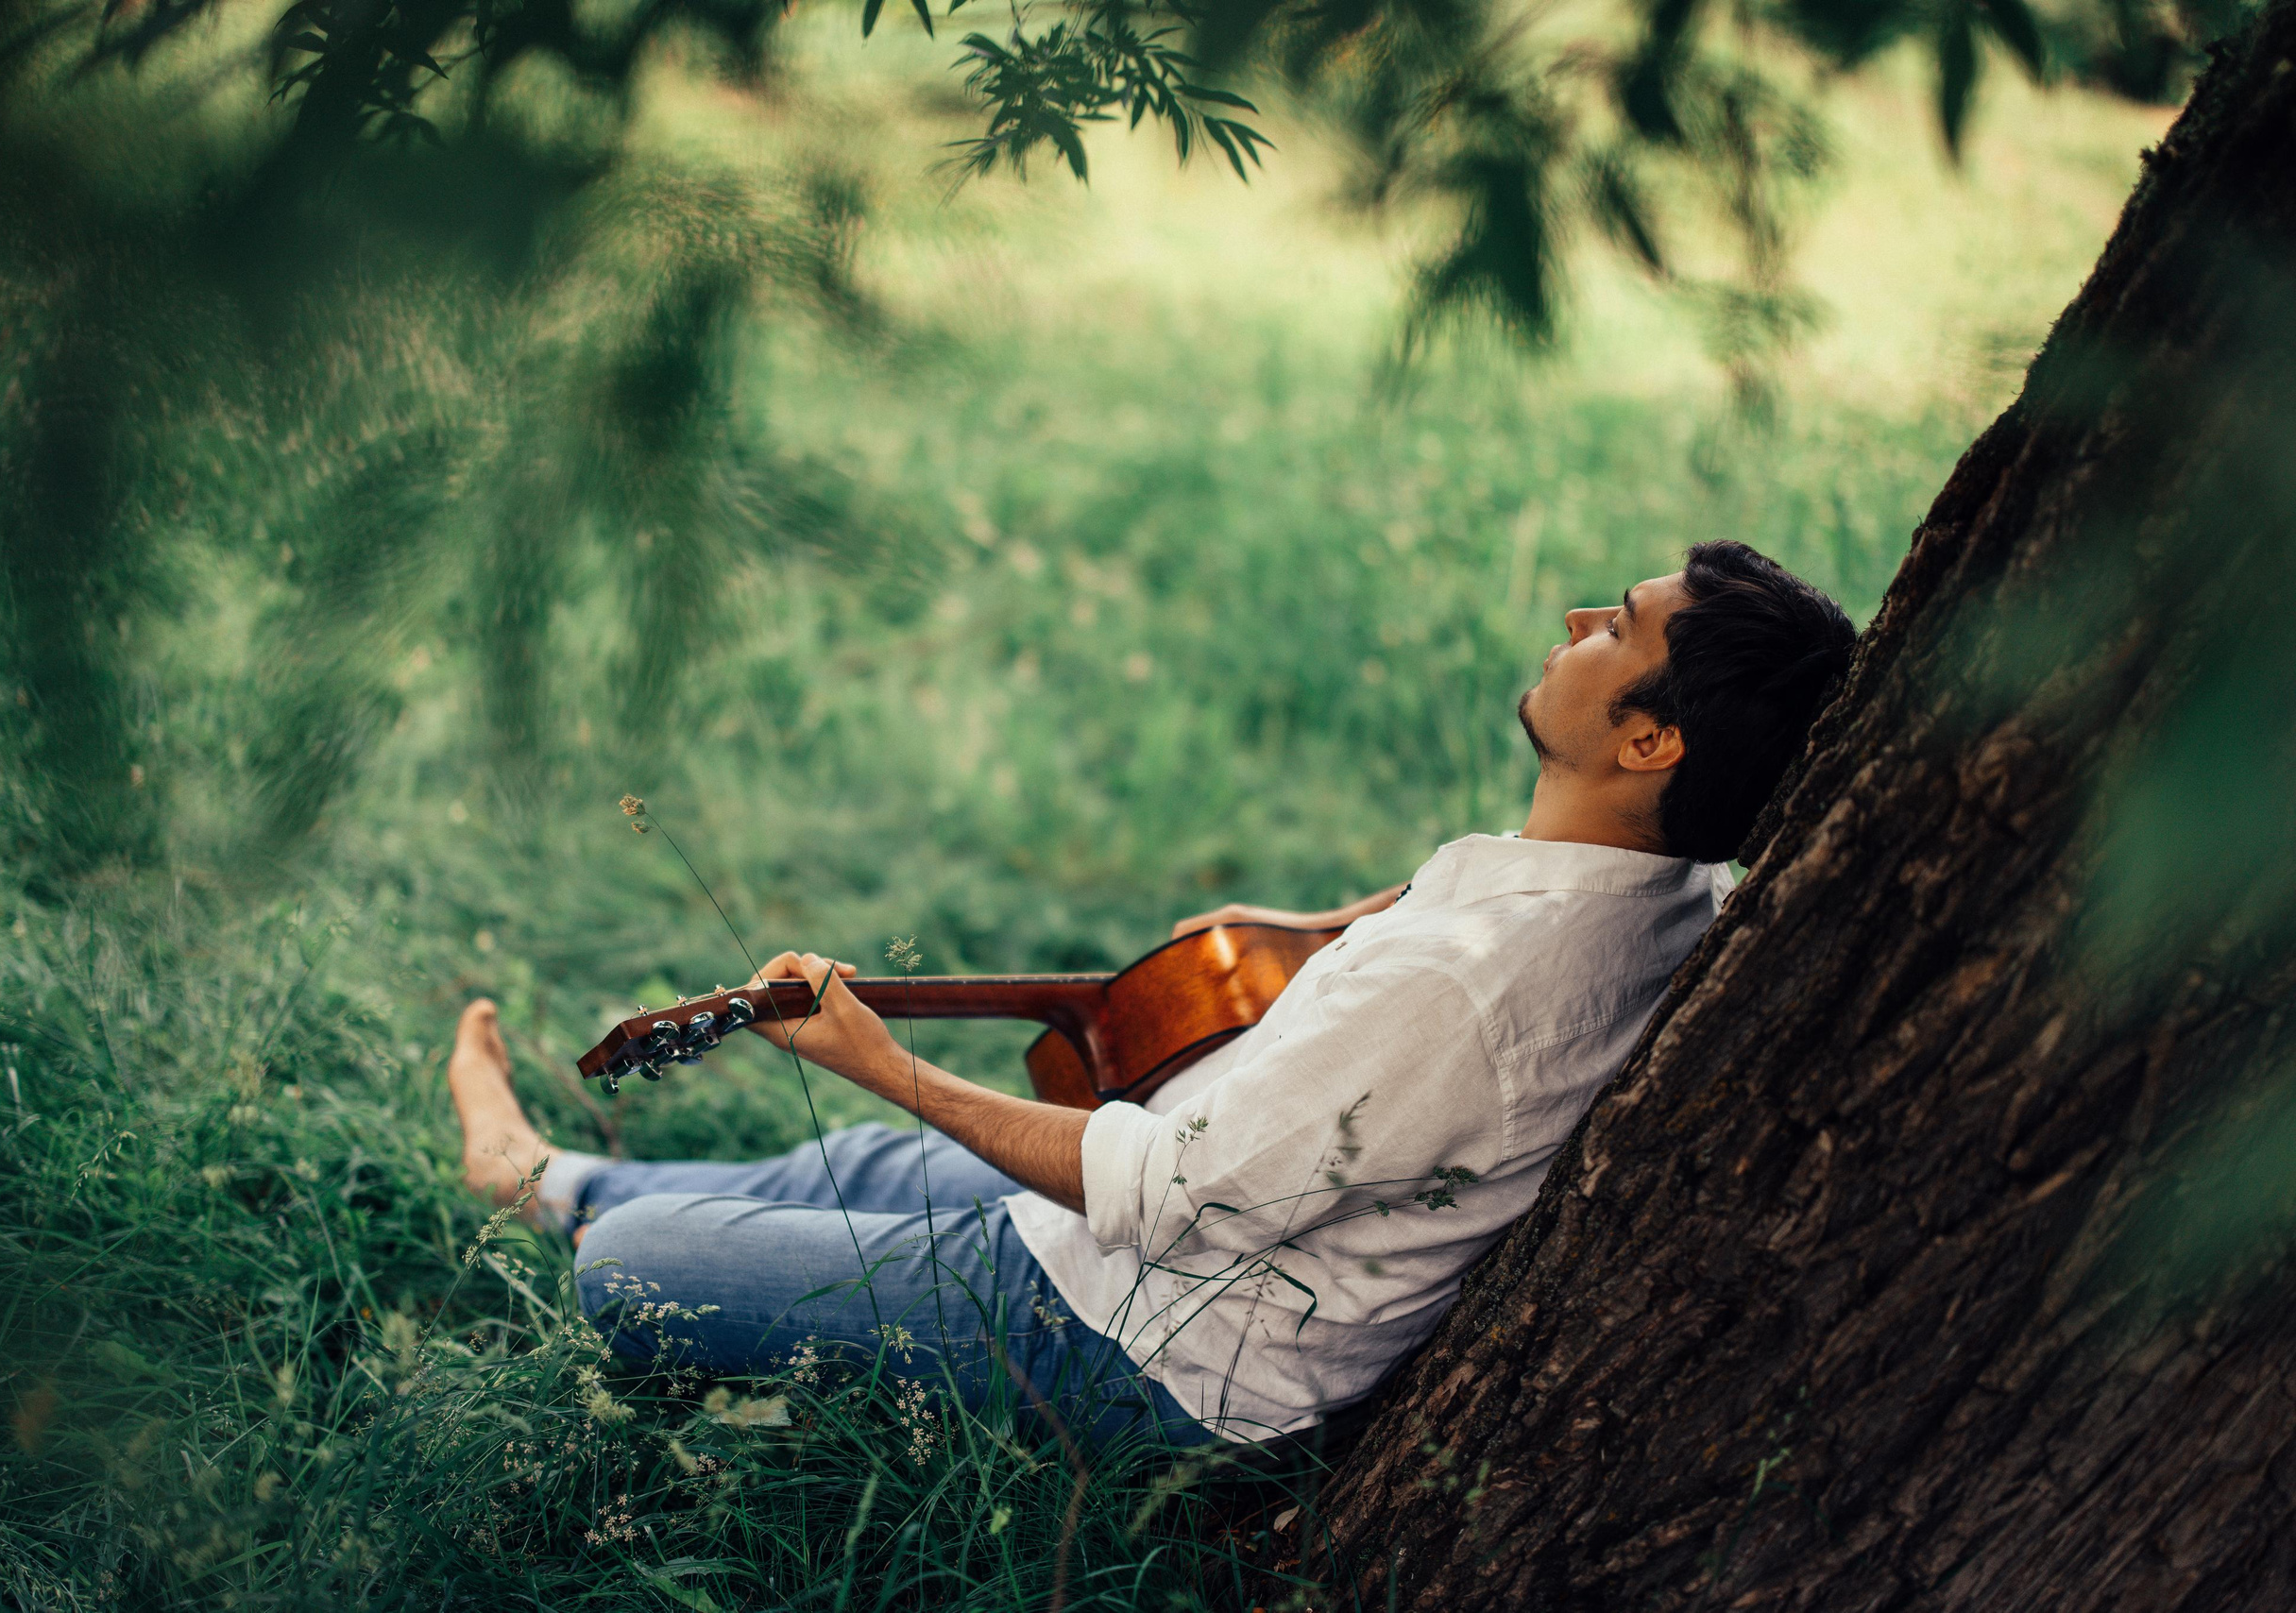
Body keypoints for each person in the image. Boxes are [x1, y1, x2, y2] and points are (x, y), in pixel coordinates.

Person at [448, 539, 1858, 1445]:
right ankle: (542, 1170)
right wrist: (1308, 930)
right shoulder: (1665, 891)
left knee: (643, 1275)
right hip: (1166, 1240)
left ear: (1653, 737)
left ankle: (580, 1212)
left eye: (1613, 627)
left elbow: (1166, 1197)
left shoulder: (1462, 990)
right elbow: (1443, 930)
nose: (1572, 619)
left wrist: (887, 1056)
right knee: (862, 1167)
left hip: (1156, 1345)